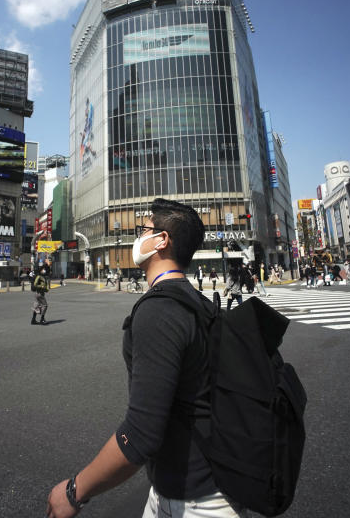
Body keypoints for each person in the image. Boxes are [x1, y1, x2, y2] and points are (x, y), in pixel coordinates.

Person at [45, 198, 248, 518]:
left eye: (145, 231)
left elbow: (140, 435)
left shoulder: (159, 312)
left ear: (162, 241)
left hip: (196, 504)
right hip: (198, 486)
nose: (137, 238)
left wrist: (74, 491)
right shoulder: (201, 303)